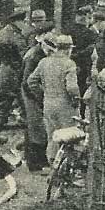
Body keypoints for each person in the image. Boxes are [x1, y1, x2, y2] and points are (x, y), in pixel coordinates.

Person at [25, 34, 81, 170]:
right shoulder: (69, 63)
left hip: (48, 103)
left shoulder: (44, 62)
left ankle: (52, 166)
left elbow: (31, 81)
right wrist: (76, 99)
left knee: (52, 137)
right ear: (68, 49)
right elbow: (72, 87)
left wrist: (43, 94)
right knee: (69, 137)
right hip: (65, 105)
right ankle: (65, 169)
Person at [20, 33, 52, 172]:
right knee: (35, 127)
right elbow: (27, 81)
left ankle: (36, 159)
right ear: (44, 44)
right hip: (30, 94)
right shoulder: (34, 57)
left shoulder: (40, 54)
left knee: (36, 127)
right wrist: (39, 96)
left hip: (35, 92)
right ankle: (34, 162)